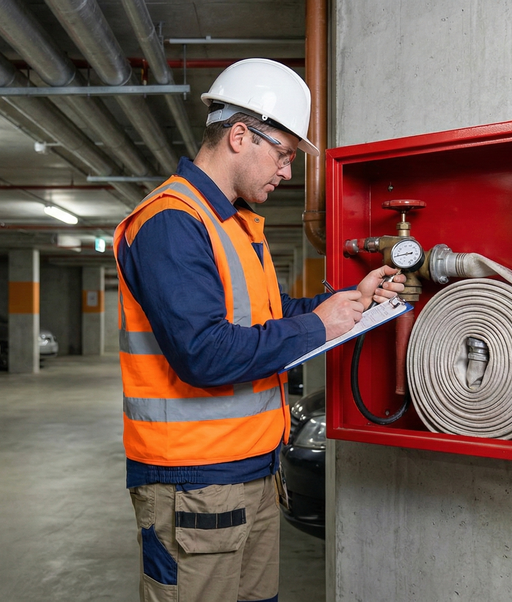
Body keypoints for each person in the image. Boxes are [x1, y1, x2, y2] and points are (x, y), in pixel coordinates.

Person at [113, 58, 405, 602]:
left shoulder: (233, 222)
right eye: (285, 154)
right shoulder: (171, 222)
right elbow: (204, 353)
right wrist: (319, 325)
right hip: (194, 483)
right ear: (241, 136)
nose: (288, 171)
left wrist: (344, 304)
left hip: (250, 470)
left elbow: (266, 316)